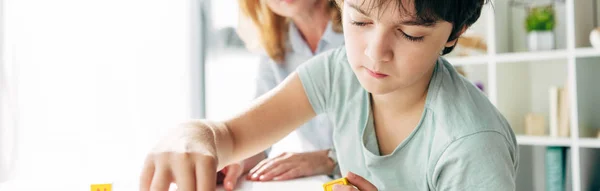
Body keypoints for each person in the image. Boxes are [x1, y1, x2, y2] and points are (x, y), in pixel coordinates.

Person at [140, 0, 519, 190]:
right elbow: (233, 135)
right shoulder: (337, 71)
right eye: (359, 21)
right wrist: (192, 134)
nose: (375, 52)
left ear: (455, 33)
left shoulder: (471, 144)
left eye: (410, 34)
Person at [216, 0, 345, 190]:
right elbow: (259, 130)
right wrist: (236, 161)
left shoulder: (364, 31)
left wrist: (329, 158)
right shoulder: (277, 45)